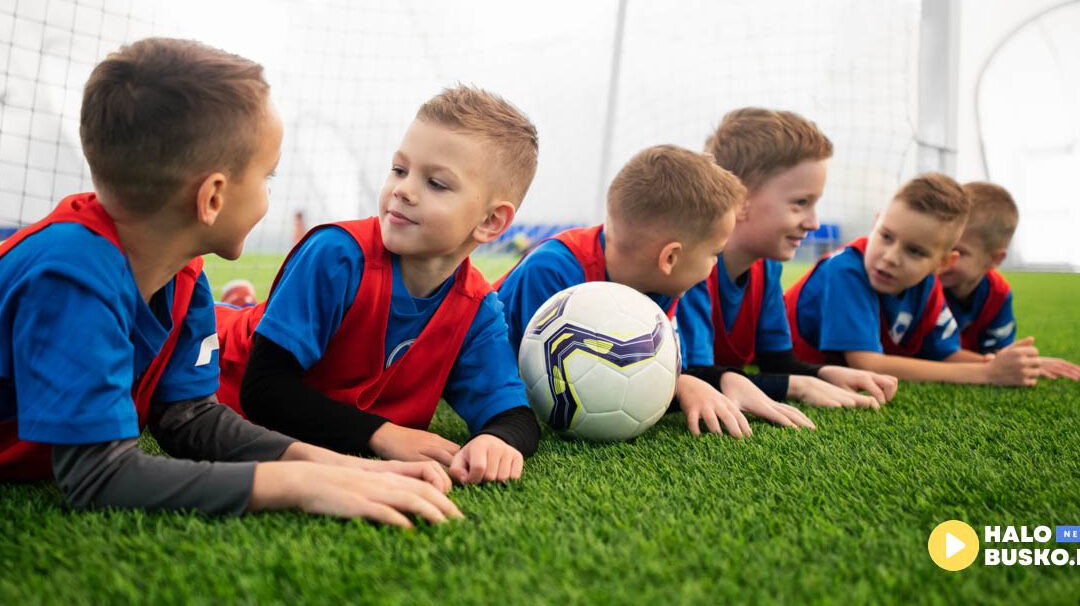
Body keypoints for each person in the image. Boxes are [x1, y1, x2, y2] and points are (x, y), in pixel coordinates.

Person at [0, 38, 459, 527]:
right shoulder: (72, 275)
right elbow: (95, 475)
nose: (268, 195)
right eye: (268, 176)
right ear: (213, 198)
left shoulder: (182, 268)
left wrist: (338, 465)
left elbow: (188, 418)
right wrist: (299, 485)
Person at [215, 86, 541, 484]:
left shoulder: (476, 307)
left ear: (491, 222)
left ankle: (244, 300)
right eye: (399, 169)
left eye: (436, 183)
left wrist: (496, 440)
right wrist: (380, 434)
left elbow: (513, 415)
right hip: (208, 357)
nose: (402, 189)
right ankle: (234, 304)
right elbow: (264, 391)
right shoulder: (337, 255)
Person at [498, 145, 816, 438]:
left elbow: (654, 368)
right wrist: (681, 386)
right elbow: (547, 386)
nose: (714, 267)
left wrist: (689, 382)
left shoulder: (662, 285)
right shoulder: (554, 271)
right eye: (714, 254)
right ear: (670, 258)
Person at [678, 108, 898, 408]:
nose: (814, 223)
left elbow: (776, 361)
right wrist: (796, 387)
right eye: (800, 203)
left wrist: (824, 373)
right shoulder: (692, 268)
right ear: (740, 200)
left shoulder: (765, 267)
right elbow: (695, 377)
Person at [785, 173, 1041, 386]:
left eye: (915, 251)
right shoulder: (845, 270)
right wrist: (985, 373)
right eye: (886, 236)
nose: (890, 257)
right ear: (875, 224)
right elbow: (867, 363)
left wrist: (1010, 364)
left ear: (941, 264)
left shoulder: (927, 285)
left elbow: (945, 353)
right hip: (768, 359)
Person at [938, 181, 1080, 380]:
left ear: (994, 259)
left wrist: (1019, 363)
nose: (943, 258)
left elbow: (997, 355)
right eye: (941, 244)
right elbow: (932, 353)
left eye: (959, 251)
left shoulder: (998, 293)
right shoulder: (926, 281)